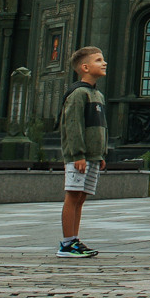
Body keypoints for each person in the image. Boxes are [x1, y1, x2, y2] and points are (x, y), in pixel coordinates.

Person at [57, 45, 108, 258]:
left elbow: (100, 126)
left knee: (81, 197)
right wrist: (77, 154)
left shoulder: (98, 95)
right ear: (85, 67)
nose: (104, 63)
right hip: (80, 157)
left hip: (93, 157)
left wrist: (101, 154)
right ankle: (67, 244)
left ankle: (74, 239)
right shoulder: (78, 93)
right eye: (98, 60)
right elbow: (73, 124)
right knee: (73, 195)